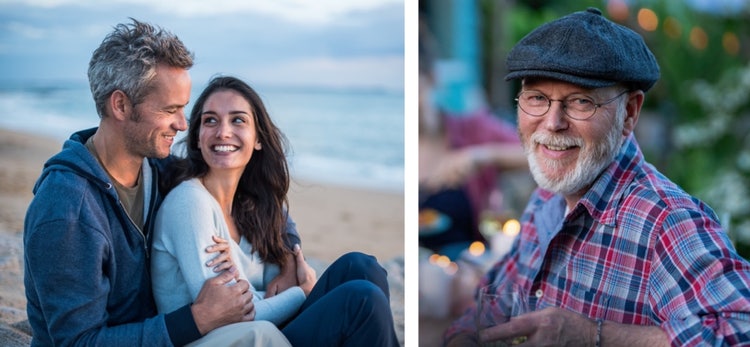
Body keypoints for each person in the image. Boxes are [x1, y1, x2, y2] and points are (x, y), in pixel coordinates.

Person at [444, 7, 750, 346]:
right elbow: (491, 307)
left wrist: (593, 335)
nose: (552, 122)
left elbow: (740, 332)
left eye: (580, 102)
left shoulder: (668, 220)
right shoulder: (546, 198)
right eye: (537, 98)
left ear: (630, 113)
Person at [23, 19, 293, 346]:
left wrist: (289, 255)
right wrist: (196, 319)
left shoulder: (157, 168)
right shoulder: (67, 210)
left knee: (355, 277)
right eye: (171, 109)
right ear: (121, 105)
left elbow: (247, 183)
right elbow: (78, 342)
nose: (182, 124)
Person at [151, 75, 400, 346]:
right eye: (210, 120)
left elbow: (254, 297)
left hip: (261, 328)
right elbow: (231, 313)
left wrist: (288, 265)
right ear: (198, 138)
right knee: (361, 300)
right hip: (223, 339)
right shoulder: (190, 203)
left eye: (238, 120)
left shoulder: (251, 204)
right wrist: (300, 293)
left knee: (362, 266)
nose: (223, 132)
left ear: (258, 139)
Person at [418, 18, 527, 260]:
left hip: (467, 260)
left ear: (432, 78)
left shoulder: (471, 129)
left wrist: (483, 155)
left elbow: (536, 153)